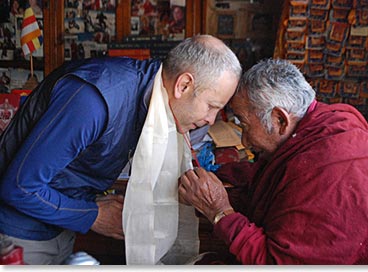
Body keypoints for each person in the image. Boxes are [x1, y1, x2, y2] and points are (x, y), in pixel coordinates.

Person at [0, 34, 241, 265]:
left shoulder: (160, 98)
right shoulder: (93, 101)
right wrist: (93, 215)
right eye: (211, 106)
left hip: (61, 223)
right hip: (20, 232)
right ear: (184, 85)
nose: (211, 120)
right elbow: (19, 187)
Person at [179, 58, 368, 265]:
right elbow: (276, 175)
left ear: (279, 120)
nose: (244, 141)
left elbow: (276, 263)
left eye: (244, 124)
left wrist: (219, 211)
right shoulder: (321, 124)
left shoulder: (329, 172)